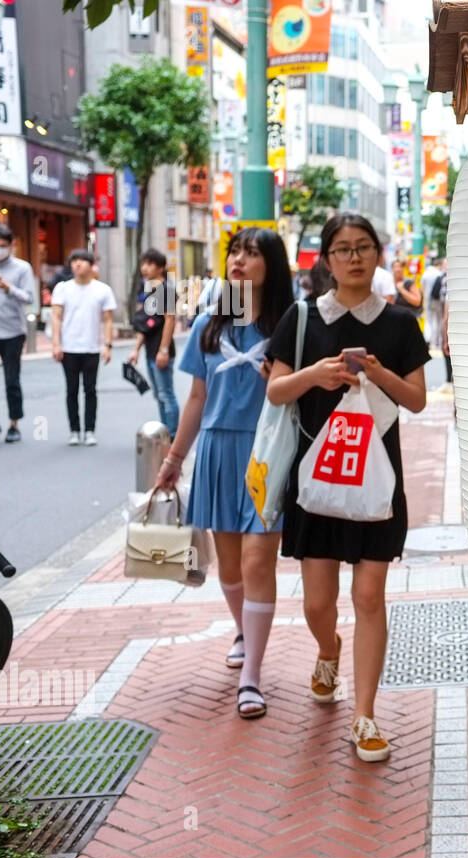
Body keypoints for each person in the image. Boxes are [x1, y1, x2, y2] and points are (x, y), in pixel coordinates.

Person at [266, 212, 427, 762]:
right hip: (319, 478)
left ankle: (365, 715)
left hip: (378, 479)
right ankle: (327, 648)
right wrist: (317, 374)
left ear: (378, 254)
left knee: (368, 596)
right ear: (327, 260)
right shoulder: (304, 316)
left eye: (363, 247)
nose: (353, 257)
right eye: (342, 249)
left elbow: (416, 399)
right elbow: (276, 391)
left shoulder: (401, 324)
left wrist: (377, 372)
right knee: (318, 602)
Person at [155, 227, 294, 719]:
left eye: (252, 254)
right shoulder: (209, 327)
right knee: (230, 566)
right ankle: (242, 629)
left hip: (267, 454)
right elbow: (196, 399)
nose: (239, 261)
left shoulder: (288, 324)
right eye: (235, 252)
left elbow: (305, 394)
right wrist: (173, 460)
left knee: (259, 562)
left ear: (271, 266)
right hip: (217, 450)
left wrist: (281, 382)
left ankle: (252, 675)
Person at [51, 250, 116, 446]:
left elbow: (107, 320)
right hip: (69, 347)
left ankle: (89, 430)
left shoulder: (102, 290)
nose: (77, 264)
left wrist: (107, 345)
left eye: (82, 261)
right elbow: (56, 317)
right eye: (74, 261)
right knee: (71, 390)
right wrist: (56, 344)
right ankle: (74, 430)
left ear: (91, 264)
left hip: (92, 347)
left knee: (90, 390)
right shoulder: (62, 288)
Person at [128, 249, 180, 438]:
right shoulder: (149, 290)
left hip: (161, 350)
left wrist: (164, 350)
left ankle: (172, 436)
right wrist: (136, 350)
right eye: (143, 264)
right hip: (151, 350)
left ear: (161, 267)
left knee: (167, 395)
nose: (145, 268)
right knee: (159, 395)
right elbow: (145, 324)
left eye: (150, 264)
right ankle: (165, 434)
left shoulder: (167, 290)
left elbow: (170, 320)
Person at [0, 223, 36, 443]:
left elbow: (29, 298)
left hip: (12, 332)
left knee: (11, 380)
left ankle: (14, 424)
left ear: (11, 245)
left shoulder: (22, 268)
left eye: (2, 245)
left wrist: (8, 287)